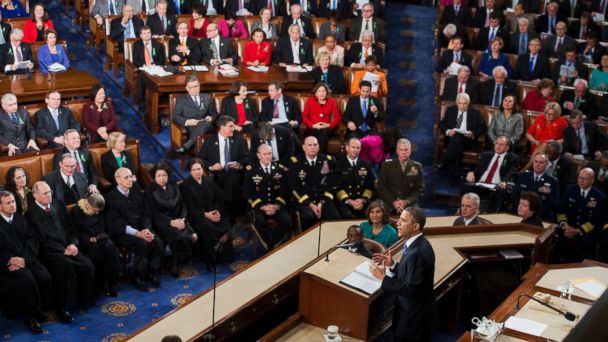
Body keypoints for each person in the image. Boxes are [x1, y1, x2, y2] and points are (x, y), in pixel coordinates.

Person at [26, 181, 96, 321]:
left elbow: (72, 228)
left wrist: (73, 244)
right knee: (66, 267)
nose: (49, 195)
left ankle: (83, 300)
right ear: (35, 195)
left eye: (50, 192)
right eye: (45, 193)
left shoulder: (58, 204)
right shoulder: (31, 214)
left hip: (68, 247)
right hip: (50, 252)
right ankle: (63, 308)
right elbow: (40, 240)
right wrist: (62, 250)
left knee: (87, 265)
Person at [370, 207, 436, 342]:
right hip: (410, 315)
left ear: (416, 226)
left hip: (413, 321)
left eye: (403, 220)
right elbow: (411, 275)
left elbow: (410, 289)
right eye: (399, 219)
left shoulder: (418, 252)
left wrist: (383, 277)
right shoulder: (416, 243)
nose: (398, 223)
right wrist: (393, 265)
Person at [0, 191, 51, 333]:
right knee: (27, 280)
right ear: (0, 206)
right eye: (8, 203)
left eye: (13, 202)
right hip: (7, 264)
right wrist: (9, 259)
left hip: (26, 258)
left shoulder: (20, 218)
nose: (12, 205)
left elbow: (32, 240)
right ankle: (30, 316)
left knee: (44, 276)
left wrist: (24, 259)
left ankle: (40, 308)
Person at [105, 167, 164, 291]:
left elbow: (145, 212)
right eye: (126, 177)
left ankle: (151, 272)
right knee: (142, 245)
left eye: (131, 176)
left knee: (157, 241)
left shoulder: (136, 190)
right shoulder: (110, 198)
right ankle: (138, 277)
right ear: (118, 180)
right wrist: (137, 233)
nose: (130, 180)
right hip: (123, 233)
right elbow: (115, 224)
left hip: (141, 228)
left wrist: (146, 229)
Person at [145, 162, 197, 277]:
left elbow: (183, 204)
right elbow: (153, 212)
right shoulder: (150, 190)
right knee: (179, 237)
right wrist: (171, 222)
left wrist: (182, 219)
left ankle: (176, 258)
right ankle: (174, 262)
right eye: (159, 176)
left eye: (164, 175)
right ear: (154, 177)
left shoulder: (174, 185)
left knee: (193, 236)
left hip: (179, 218)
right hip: (162, 223)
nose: (162, 178)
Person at [180, 158, 232, 272]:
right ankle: (210, 261)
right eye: (194, 170)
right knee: (208, 228)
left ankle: (223, 256)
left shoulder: (209, 181)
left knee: (225, 223)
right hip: (197, 217)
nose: (197, 172)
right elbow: (189, 208)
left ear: (202, 169)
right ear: (190, 171)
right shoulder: (186, 186)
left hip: (213, 212)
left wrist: (217, 211)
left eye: (199, 169)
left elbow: (219, 199)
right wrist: (205, 214)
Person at [198, 116, 248, 220]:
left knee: (232, 174)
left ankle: (225, 213)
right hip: (218, 174)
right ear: (222, 127)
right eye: (231, 126)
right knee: (231, 180)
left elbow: (245, 157)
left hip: (235, 173)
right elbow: (200, 159)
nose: (233, 129)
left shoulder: (237, 139)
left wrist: (239, 164)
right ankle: (235, 214)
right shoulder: (209, 141)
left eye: (233, 126)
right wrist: (212, 166)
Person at [71, 193, 121, 297]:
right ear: (88, 205)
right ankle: (100, 285)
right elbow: (77, 229)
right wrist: (90, 238)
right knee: (96, 253)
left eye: (99, 211)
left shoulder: (99, 208)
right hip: (85, 240)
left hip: (99, 236)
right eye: (95, 210)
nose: (97, 212)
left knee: (110, 248)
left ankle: (109, 282)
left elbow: (102, 224)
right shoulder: (77, 210)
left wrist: (97, 236)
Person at [244, 144, 292, 250]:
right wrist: (263, 207)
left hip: (276, 205)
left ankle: (273, 244)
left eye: (269, 154)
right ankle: (268, 245)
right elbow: (248, 193)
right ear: (258, 155)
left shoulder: (280, 169)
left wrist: (276, 206)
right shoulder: (251, 170)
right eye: (264, 154)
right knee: (258, 222)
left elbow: (284, 191)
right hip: (258, 207)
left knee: (286, 221)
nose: (268, 156)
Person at [288, 136, 340, 230]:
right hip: (304, 201)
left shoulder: (328, 160)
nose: (313, 147)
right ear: (304, 147)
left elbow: (331, 185)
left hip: (323, 199)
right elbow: (294, 188)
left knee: (334, 216)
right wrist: (311, 204)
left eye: (315, 145)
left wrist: (322, 202)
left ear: (319, 146)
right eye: (310, 145)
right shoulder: (295, 162)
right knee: (308, 217)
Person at [556, 168, 606, 262]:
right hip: (568, 226)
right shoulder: (569, 189)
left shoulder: (599, 197)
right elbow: (561, 211)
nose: (581, 181)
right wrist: (565, 225)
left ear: (592, 180)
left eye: (585, 179)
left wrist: (578, 231)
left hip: (586, 230)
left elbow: (596, 220)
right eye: (580, 178)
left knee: (585, 242)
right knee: (556, 236)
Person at [463, 136, 519, 213]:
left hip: (496, 186)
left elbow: (511, 172)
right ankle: (465, 210)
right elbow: (477, 169)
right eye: (497, 143)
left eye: (502, 145)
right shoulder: (486, 155)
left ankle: (490, 213)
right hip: (481, 183)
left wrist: (504, 181)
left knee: (501, 191)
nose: (498, 146)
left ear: (507, 148)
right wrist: (471, 172)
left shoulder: (512, 158)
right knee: (465, 185)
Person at [438, 93, 486, 183]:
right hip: (453, 140)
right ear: (457, 103)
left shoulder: (475, 113)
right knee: (457, 144)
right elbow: (442, 123)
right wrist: (448, 131)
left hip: (468, 140)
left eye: (465, 104)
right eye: (460, 103)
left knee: (457, 138)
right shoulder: (451, 110)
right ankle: (455, 177)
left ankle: (445, 161)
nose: (462, 106)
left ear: (468, 103)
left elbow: (482, 127)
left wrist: (472, 133)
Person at [173, 74, 218, 154]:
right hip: (191, 127)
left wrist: (211, 118)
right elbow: (175, 116)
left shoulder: (207, 97)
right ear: (187, 88)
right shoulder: (180, 100)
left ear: (199, 86)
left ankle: (186, 146)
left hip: (207, 127)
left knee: (205, 123)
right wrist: (187, 121)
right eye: (191, 87)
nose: (195, 89)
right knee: (201, 127)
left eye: (196, 86)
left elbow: (214, 113)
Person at [376, 138, 424, 213]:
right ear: (397, 151)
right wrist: (394, 202)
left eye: (406, 150)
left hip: (409, 204)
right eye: (401, 150)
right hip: (389, 202)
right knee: (379, 212)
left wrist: (406, 201)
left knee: (416, 214)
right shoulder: (387, 165)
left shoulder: (417, 166)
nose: (404, 152)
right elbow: (381, 187)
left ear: (410, 150)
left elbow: (419, 190)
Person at [335, 137, 375, 218]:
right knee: (346, 215)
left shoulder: (366, 164)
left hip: (361, 200)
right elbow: (337, 187)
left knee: (369, 214)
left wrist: (363, 200)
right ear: (347, 147)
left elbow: (370, 186)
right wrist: (350, 201)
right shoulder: (338, 164)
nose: (355, 150)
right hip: (345, 201)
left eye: (358, 148)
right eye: (353, 147)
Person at [512, 152, 559, 221]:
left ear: (546, 164)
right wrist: (521, 211)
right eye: (536, 162)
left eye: (541, 162)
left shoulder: (552, 181)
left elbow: (552, 202)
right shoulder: (523, 176)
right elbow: (515, 196)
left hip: (540, 217)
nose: (537, 165)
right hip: (520, 214)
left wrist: (534, 214)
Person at [302, 83, 341, 153]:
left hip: (326, 128)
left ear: (326, 92)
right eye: (319, 91)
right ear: (316, 93)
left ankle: (320, 156)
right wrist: (313, 125)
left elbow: (337, 117)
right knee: (319, 134)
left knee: (324, 133)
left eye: (323, 91)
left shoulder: (331, 101)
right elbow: (304, 116)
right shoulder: (310, 101)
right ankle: (321, 156)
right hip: (313, 127)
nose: (321, 93)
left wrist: (329, 125)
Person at [132, 25, 166, 101]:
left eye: (148, 33)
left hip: (155, 67)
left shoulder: (158, 45)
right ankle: (141, 100)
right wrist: (144, 65)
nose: (147, 35)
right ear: (140, 35)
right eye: (144, 33)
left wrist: (155, 64)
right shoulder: (136, 45)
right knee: (141, 77)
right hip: (143, 67)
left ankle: (161, 98)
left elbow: (162, 59)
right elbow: (135, 60)